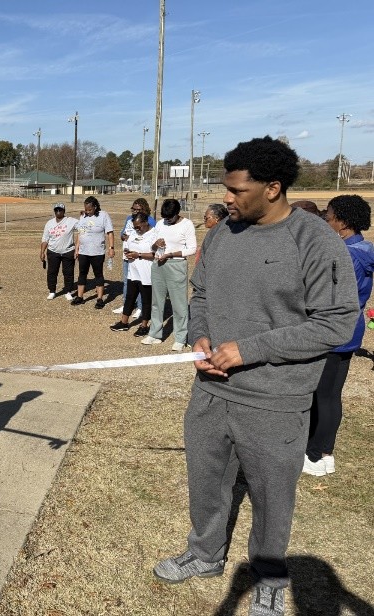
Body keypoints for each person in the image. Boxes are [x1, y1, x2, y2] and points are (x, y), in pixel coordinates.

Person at [153, 137, 358, 616]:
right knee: (205, 480)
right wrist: (199, 338)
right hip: (210, 390)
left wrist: (248, 350)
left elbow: (336, 322)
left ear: (272, 188)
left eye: (235, 189)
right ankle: (204, 555)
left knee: (271, 495)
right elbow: (200, 294)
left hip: (275, 400)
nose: (226, 198)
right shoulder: (224, 233)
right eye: (225, 187)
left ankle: (268, 579)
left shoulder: (313, 239)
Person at [304, 194, 374, 476]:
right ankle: (323, 451)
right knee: (331, 393)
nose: (326, 220)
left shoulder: (343, 254)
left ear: (342, 223)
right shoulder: (365, 249)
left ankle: (317, 453)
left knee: (324, 395)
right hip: (351, 329)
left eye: (329, 217)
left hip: (332, 329)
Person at [140, 198, 197, 351]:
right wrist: (155, 245)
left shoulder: (187, 225)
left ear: (177, 214)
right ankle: (155, 334)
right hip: (158, 264)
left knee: (179, 304)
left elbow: (192, 249)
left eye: (170, 218)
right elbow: (152, 248)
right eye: (165, 218)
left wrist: (171, 254)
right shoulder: (160, 224)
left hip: (176, 265)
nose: (167, 220)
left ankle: (180, 337)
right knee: (157, 302)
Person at [110, 213, 156, 337]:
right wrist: (128, 253)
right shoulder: (134, 234)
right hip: (133, 272)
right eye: (135, 227)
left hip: (147, 274)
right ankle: (124, 322)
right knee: (130, 298)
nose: (137, 229)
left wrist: (139, 255)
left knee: (146, 300)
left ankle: (144, 325)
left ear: (146, 222)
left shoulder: (154, 234)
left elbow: (155, 255)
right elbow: (128, 246)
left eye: (138, 226)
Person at [113, 198, 156, 317]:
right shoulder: (128, 219)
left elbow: (152, 236)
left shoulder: (151, 221)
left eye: (138, 209)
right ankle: (127, 305)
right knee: (128, 282)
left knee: (142, 283)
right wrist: (123, 237)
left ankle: (141, 307)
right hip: (128, 254)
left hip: (142, 257)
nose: (135, 211)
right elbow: (122, 233)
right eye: (133, 209)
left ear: (144, 209)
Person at [72, 196, 114, 308]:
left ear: (95, 207)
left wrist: (111, 248)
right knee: (82, 274)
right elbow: (80, 233)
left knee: (98, 274)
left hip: (97, 252)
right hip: (83, 251)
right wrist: (77, 249)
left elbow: (109, 232)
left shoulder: (103, 215)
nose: (87, 212)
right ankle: (80, 297)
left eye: (89, 209)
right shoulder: (83, 217)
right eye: (86, 209)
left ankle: (100, 299)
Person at [40, 203, 78, 301]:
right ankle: (52, 291)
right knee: (52, 272)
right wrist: (42, 251)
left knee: (68, 273)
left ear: (64, 211)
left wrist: (84, 216)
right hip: (53, 251)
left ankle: (68, 291)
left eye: (60, 210)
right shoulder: (49, 223)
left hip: (68, 251)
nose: (58, 212)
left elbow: (83, 228)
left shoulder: (71, 221)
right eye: (56, 210)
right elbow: (45, 238)